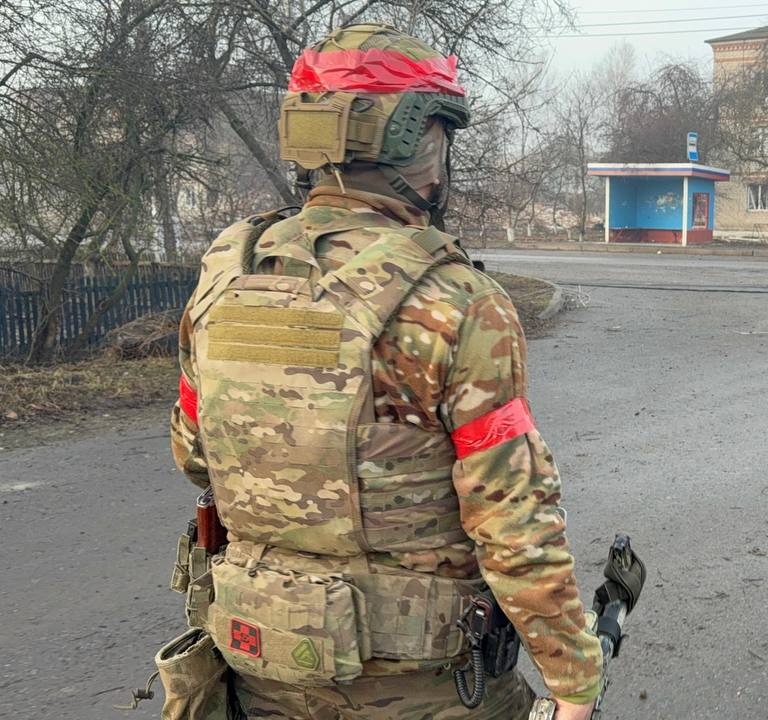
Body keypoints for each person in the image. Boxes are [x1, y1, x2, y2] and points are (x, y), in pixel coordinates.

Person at [168, 23, 601, 719]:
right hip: (421, 686)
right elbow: (512, 521)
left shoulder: (228, 273)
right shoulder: (456, 300)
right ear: (421, 142)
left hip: (256, 659)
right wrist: (573, 678)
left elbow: (194, 455)